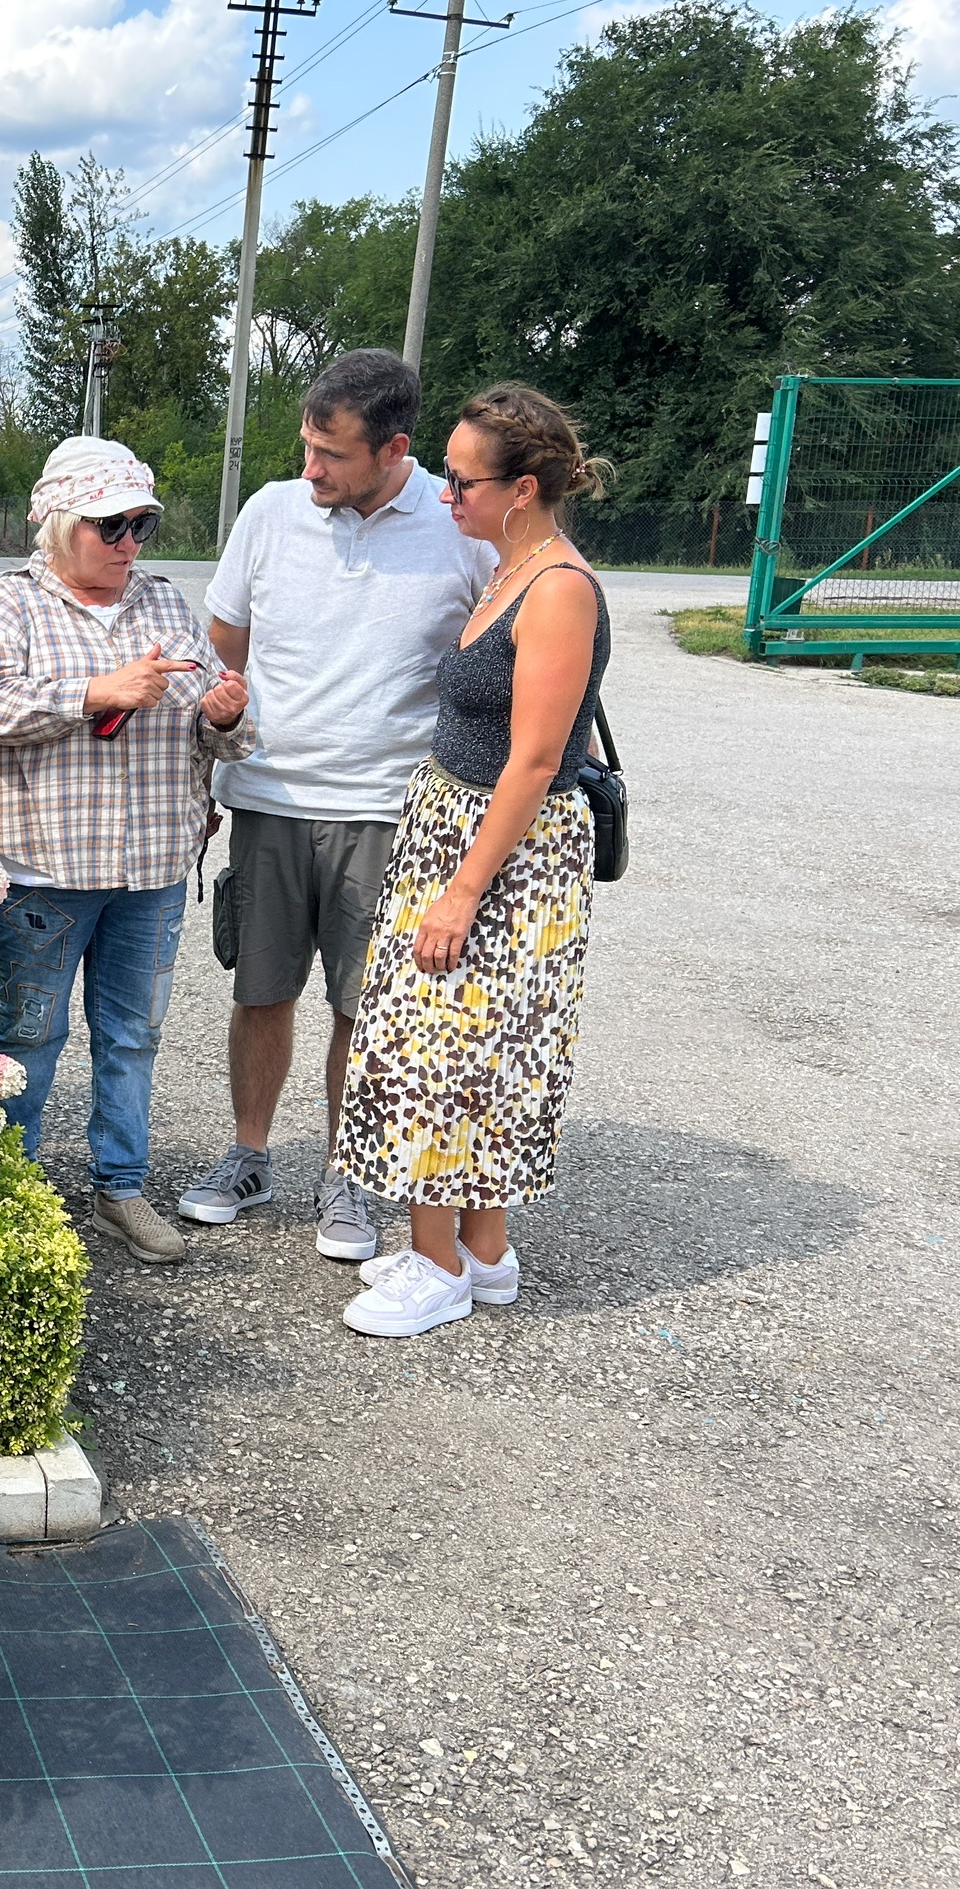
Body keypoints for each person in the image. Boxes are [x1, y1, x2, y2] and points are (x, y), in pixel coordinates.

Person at [181, 350, 494, 1263]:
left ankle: (345, 1172)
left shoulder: (459, 530)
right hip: (270, 796)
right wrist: (217, 758)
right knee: (261, 989)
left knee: (363, 1006)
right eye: (306, 446)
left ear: (394, 449)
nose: (310, 468)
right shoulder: (270, 512)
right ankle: (249, 1156)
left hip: (390, 810)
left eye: (332, 454)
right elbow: (226, 645)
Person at [332, 383, 613, 1337]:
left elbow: (535, 759)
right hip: (462, 829)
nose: (445, 495)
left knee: (438, 1051)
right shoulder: (509, 567)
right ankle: (485, 1253)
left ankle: (438, 1265)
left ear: (523, 489)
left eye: (462, 481)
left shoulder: (558, 588)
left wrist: (459, 892)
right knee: (479, 1050)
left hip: (501, 851)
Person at [0, 436, 255, 1265]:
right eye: (110, 525)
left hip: (152, 868)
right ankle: (9, 1196)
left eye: (141, 525)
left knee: (131, 1039)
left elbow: (222, 732)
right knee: (27, 1038)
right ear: (61, 525)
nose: (129, 543)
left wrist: (226, 716)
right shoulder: (8, 603)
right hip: (43, 872)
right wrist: (98, 692)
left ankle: (119, 1189)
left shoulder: (164, 604)